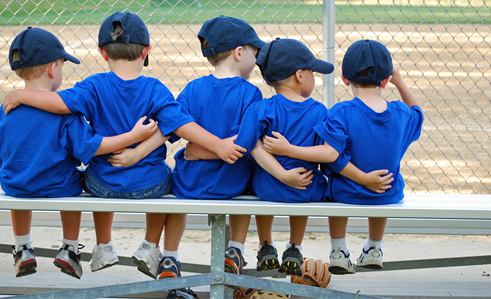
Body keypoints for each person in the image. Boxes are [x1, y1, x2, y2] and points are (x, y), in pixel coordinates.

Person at [2, 12, 247, 279]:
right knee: (169, 176)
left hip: (101, 185)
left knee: (94, 171)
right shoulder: (155, 88)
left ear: (102, 53)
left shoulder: (93, 86)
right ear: (146, 51)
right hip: (149, 186)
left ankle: (104, 246)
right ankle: (150, 246)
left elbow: (60, 103)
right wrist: (218, 145)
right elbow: (180, 124)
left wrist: (22, 94)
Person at [0, 26, 160, 279]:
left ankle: (22, 247)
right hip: (57, 187)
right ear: (52, 69)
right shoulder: (66, 115)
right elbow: (92, 147)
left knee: (18, 178)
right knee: (75, 179)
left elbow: (4, 157)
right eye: (61, 65)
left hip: (15, 185)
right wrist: (134, 138)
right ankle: (69, 248)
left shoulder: (6, 108)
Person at [161, 16, 314, 277]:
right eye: (255, 52)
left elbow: (174, 127)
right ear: (239, 52)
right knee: (249, 181)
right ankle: (235, 249)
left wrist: (200, 151)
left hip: (190, 183)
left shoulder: (193, 88)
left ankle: (170, 257)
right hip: (232, 184)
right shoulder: (250, 93)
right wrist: (217, 150)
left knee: (177, 196)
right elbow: (244, 144)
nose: (257, 60)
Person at [260, 39, 422, 274]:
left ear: (345, 80)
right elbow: (418, 113)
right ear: (386, 80)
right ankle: (374, 248)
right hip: (388, 195)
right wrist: (399, 81)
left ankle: (338, 251)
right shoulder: (401, 113)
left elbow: (333, 158)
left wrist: (363, 179)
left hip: (346, 194)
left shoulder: (340, 113)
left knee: (332, 188)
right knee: (385, 183)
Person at [232, 37, 336, 277]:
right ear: (300, 76)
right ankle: (294, 248)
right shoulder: (319, 111)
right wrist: (291, 169)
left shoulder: (261, 108)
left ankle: (266, 245)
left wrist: (280, 174)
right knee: (307, 187)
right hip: (305, 187)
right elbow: (327, 153)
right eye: (312, 72)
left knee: (257, 183)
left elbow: (248, 144)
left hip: (267, 187)